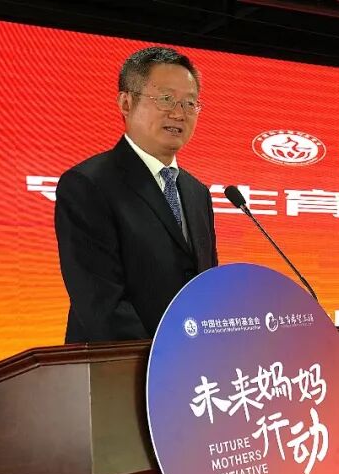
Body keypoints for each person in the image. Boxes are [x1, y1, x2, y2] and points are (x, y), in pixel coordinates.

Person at [55, 47, 218, 343]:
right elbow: (101, 304)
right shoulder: (87, 184)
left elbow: (205, 288)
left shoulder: (197, 193)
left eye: (190, 103)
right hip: (117, 362)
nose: (179, 113)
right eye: (166, 99)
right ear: (126, 103)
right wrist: (162, 358)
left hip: (190, 363)